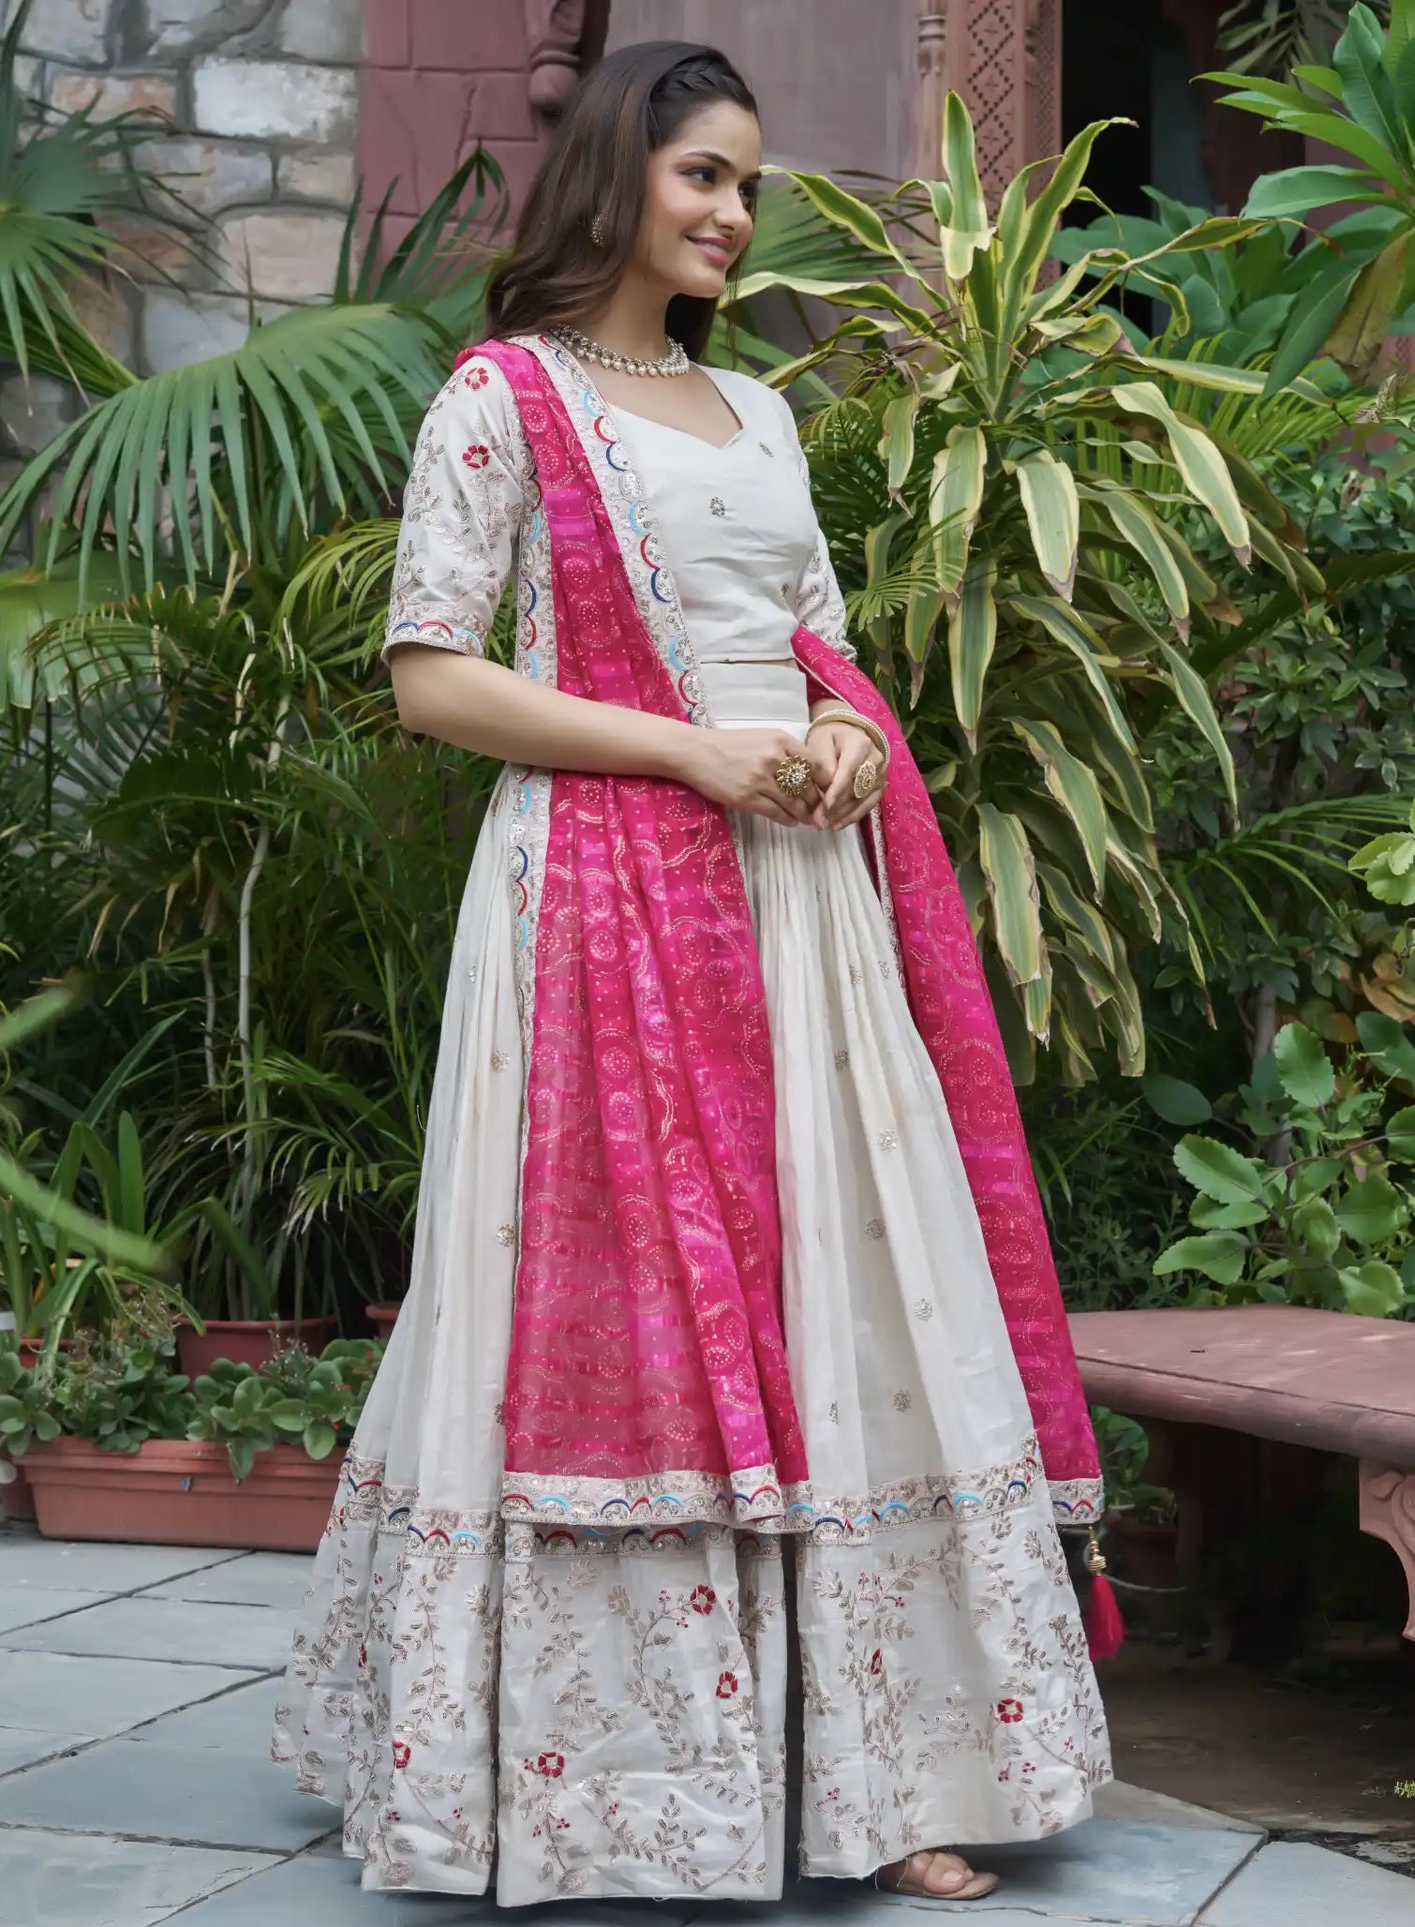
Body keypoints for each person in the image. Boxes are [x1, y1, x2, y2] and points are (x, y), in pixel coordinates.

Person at [273, 39, 1114, 1908]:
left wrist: (832, 744)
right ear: (616, 176)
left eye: (747, 184)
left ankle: (882, 1773)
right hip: (598, 899)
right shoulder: (506, 399)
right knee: (617, 1304)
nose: (734, 213)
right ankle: (606, 1784)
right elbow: (435, 677)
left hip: (799, 896)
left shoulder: (760, 414)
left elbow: (814, 646)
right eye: (702, 178)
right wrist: (689, 755)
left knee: (844, 1287)